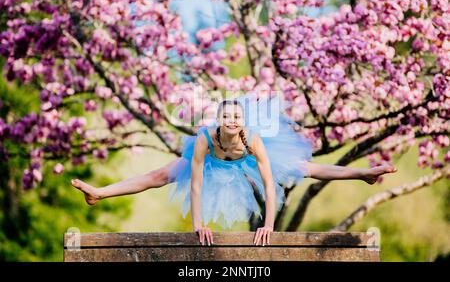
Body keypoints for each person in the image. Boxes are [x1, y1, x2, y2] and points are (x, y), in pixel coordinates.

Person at [71, 92, 397, 246]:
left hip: (247, 165)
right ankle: (99, 193)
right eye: (225, 117)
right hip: (213, 166)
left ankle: (364, 174)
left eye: (236, 118)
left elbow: (269, 185)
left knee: (303, 168)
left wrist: (269, 226)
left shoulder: (253, 140)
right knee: (159, 176)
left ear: (242, 121)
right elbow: (196, 185)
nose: (231, 122)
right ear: (218, 120)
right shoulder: (204, 140)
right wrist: (199, 225)